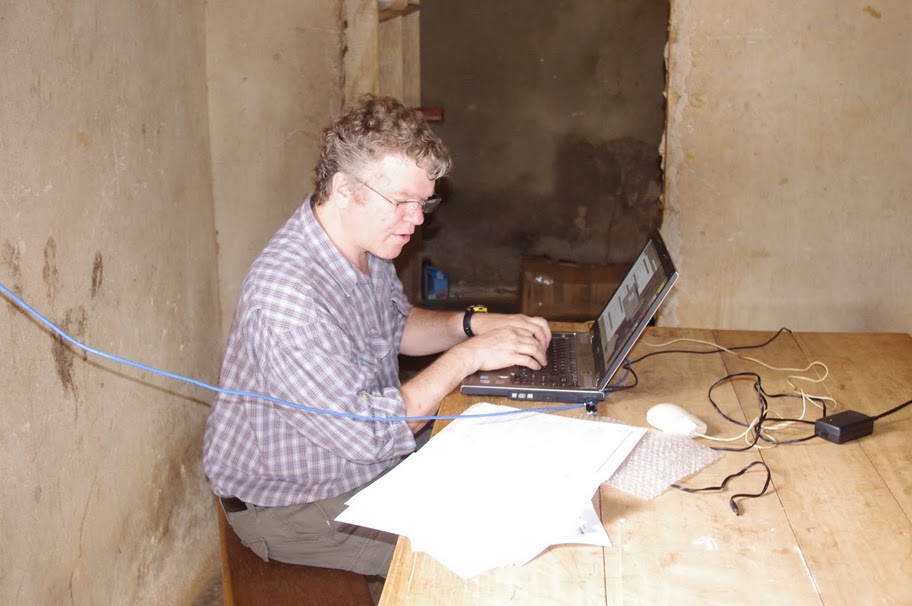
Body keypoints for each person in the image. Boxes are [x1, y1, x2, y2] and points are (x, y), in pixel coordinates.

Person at [203, 94, 551, 577]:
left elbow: (396, 327)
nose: (418, 219)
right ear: (345, 189)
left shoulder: (362, 242)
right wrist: (468, 356)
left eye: (423, 202)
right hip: (296, 509)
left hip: (361, 464)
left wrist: (470, 324)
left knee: (517, 462)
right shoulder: (286, 299)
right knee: (481, 561)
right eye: (402, 202)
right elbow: (369, 434)